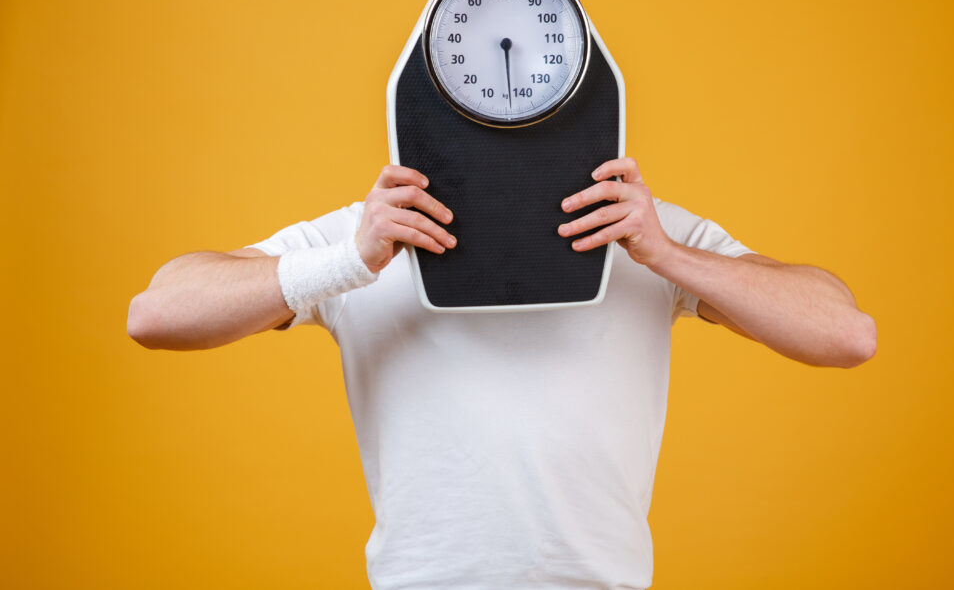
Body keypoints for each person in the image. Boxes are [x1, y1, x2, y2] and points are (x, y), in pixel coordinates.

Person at [127, 156, 876, 589]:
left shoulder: (642, 230)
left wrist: (667, 254)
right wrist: (348, 261)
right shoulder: (367, 237)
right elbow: (156, 314)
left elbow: (844, 332)